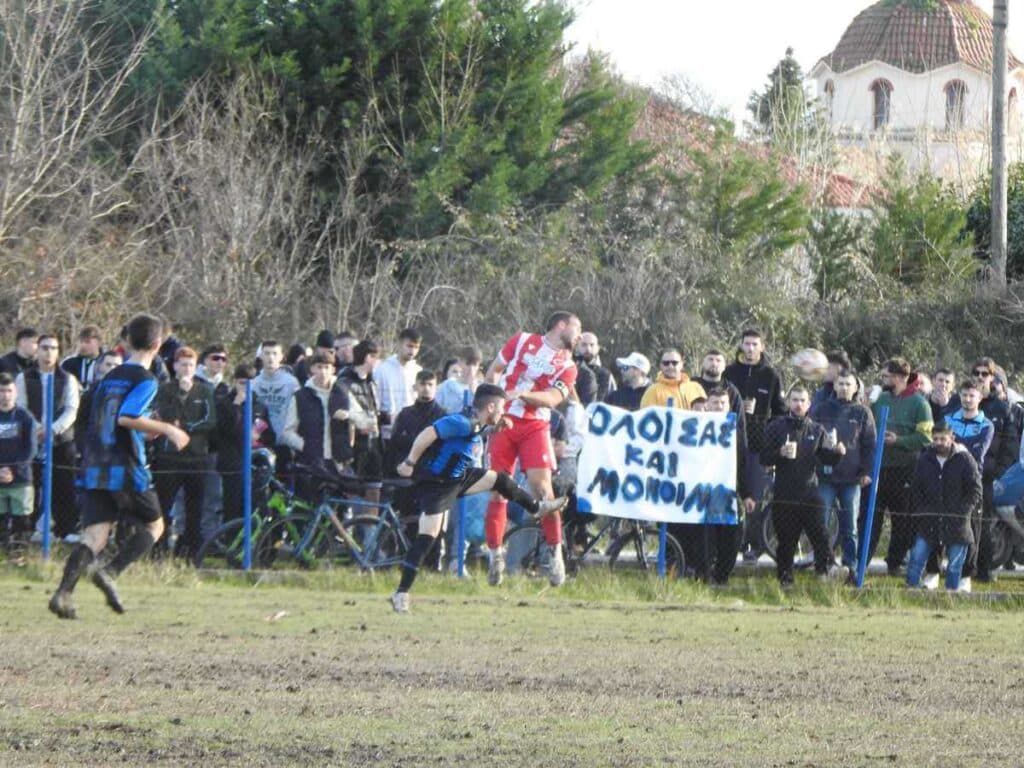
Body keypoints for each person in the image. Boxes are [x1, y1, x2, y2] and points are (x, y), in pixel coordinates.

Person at [48, 313, 189, 619]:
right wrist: (168, 430)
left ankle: (62, 594)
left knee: (95, 535)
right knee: (155, 526)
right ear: (158, 343)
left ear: (127, 341)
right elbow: (127, 416)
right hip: (125, 465)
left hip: (95, 463)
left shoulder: (109, 377)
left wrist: (146, 427)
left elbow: (102, 418)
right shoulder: (146, 379)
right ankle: (109, 572)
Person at [389, 384, 568, 612]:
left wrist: (493, 429)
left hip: (458, 478)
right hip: (438, 485)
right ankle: (401, 593)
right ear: (491, 407)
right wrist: (409, 462)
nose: (504, 413)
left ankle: (536, 508)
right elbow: (428, 433)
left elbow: (472, 434)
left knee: (500, 480)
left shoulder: (477, 423)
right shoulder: (461, 421)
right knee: (427, 538)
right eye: (502, 409)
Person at [484, 311, 580, 587]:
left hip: (535, 427)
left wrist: (524, 395)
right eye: (578, 327)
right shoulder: (522, 339)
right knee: (498, 489)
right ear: (561, 325)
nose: (579, 334)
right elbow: (494, 371)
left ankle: (555, 553)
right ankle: (495, 556)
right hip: (504, 422)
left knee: (542, 490)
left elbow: (551, 398)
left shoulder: (569, 366)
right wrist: (491, 405)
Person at [760, 385, 847, 585]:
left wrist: (838, 453)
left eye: (802, 401)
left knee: (821, 535)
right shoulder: (776, 426)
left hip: (810, 491)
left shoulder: (817, 429)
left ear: (809, 404)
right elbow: (763, 458)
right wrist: (779, 454)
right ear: (789, 402)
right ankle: (785, 579)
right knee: (786, 541)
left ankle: (825, 572)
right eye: (795, 400)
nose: (798, 404)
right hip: (784, 492)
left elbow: (827, 459)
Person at [861, 357, 932, 576]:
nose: (883, 380)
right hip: (878, 469)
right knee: (869, 517)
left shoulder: (920, 404)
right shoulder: (880, 399)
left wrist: (898, 441)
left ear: (900, 378)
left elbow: (926, 437)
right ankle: (861, 563)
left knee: (902, 520)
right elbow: (867, 425)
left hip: (904, 470)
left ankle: (895, 562)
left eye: (887, 376)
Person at [723, 328, 787, 559]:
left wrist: (764, 421)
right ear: (741, 346)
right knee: (731, 494)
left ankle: (754, 546)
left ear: (762, 347)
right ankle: (730, 543)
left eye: (754, 344)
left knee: (755, 499)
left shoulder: (771, 375)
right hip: (730, 443)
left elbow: (780, 412)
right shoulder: (729, 372)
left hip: (759, 447)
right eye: (746, 344)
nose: (750, 349)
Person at [151, 347, 217, 559]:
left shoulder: (204, 391)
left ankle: (189, 552)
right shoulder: (164, 389)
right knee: (163, 506)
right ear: (175, 366)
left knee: (194, 509)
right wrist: (180, 395)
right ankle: (158, 550)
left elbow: (209, 421)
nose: (186, 368)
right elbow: (163, 416)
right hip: (168, 458)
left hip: (196, 458)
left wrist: (185, 427)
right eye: (182, 364)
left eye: (190, 364)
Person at [810, 369, 876, 571]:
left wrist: (867, 472)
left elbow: (870, 446)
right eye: (840, 384)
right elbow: (811, 438)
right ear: (834, 386)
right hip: (826, 477)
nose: (844, 388)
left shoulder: (863, 412)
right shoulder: (821, 409)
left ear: (856, 387)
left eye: (848, 384)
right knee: (822, 523)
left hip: (852, 479)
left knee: (850, 526)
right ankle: (823, 563)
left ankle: (851, 566)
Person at [17, 334, 80, 542]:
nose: (48, 352)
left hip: (62, 440)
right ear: (38, 350)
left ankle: (66, 528)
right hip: (32, 439)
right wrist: (37, 429)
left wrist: (53, 430)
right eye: (44, 348)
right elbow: (21, 407)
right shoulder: (24, 378)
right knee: (31, 484)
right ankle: (29, 528)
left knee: (63, 484)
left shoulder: (68, 379)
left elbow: (72, 410)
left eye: (53, 348)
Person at [906, 422, 982, 591]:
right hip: (929, 519)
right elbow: (916, 487)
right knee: (916, 558)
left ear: (952, 438)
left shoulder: (965, 459)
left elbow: (975, 490)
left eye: (943, 439)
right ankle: (910, 593)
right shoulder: (925, 459)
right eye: (935, 439)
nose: (939, 442)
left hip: (957, 522)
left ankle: (950, 597)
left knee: (955, 566)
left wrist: (963, 512)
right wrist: (922, 509)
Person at [331, 339, 385, 503]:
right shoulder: (343, 383)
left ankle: (371, 528)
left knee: (374, 492)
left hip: (374, 447)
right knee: (353, 498)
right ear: (368, 357)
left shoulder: (372, 383)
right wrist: (358, 419)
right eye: (376, 358)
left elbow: (375, 412)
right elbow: (338, 412)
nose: (378, 362)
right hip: (353, 451)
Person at [216, 363, 271, 522]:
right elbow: (225, 429)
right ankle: (231, 542)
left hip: (254, 466)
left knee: (254, 509)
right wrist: (236, 405)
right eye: (241, 383)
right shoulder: (225, 403)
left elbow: (269, 434)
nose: (245, 387)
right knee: (232, 508)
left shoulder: (259, 405)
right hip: (232, 464)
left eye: (249, 383)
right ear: (234, 381)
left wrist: (259, 436)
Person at [281, 353, 337, 500]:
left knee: (335, 514)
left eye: (327, 367)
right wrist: (306, 446)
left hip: (336, 464)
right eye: (319, 367)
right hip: (310, 464)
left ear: (333, 370)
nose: (323, 372)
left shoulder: (341, 393)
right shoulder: (300, 397)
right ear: (312, 369)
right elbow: (287, 432)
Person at [0, 373, 38, 544]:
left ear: (15, 393)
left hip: (21, 479)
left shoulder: (26, 418)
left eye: (9, 391)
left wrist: (12, 470)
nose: (5, 395)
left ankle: (19, 554)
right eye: (1, 391)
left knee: (21, 521)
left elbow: (30, 449)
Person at [251, 340, 301, 464]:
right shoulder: (253, 384)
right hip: (261, 444)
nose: (270, 357)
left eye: (274, 353)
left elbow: (299, 412)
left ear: (281, 356)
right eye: (267, 353)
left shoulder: (291, 383)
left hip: (285, 444)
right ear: (261, 356)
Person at [374, 328, 423, 444]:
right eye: (409, 346)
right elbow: (376, 402)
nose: (413, 351)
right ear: (400, 344)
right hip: (388, 433)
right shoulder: (382, 370)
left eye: (416, 347)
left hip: (413, 432)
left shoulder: (418, 372)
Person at [639, 348, 706, 409]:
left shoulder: (696, 388)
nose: (670, 366)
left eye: (674, 363)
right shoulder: (652, 392)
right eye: (666, 363)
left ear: (681, 364)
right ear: (661, 366)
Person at [695, 349, 745, 416]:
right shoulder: (691, 385)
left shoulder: (731, 390)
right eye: (710, 359)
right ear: (702, 363)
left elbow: (739, 421)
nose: (714, 363)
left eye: (718, 360)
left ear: (724, 366)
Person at [436, 347, 483, 415]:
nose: (471, 369)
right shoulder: (448, 386)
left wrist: (473, 391)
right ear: (459, 362)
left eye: (475, 365)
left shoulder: (482, 388)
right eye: (467, 364)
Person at [574, 332, 617, 404]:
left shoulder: (606, 375)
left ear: (598, 348)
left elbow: (613, 401)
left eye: (592, 345)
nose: (588, 348)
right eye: (583, 345)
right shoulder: (570, 370)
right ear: (576, 347)